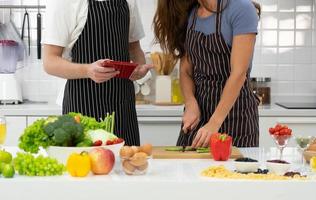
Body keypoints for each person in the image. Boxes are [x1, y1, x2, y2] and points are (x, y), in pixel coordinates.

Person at [43, 0, 152, 146]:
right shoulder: (65, 2)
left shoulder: (128, 1)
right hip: (82, 104)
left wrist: (138, 69)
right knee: (85, 165)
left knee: (127, 164)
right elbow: (50, 61)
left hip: (122, 106)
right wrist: (87, 70)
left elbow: (134, 49)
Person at [154, 0, 261, 147]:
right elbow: (185, 71)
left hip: (236, 118)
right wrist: (190, 103)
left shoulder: (241, 8)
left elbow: (238, 73)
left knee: (231, 170)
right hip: (198, 117)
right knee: (185, 169)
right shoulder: (191, 14)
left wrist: (214, 123)